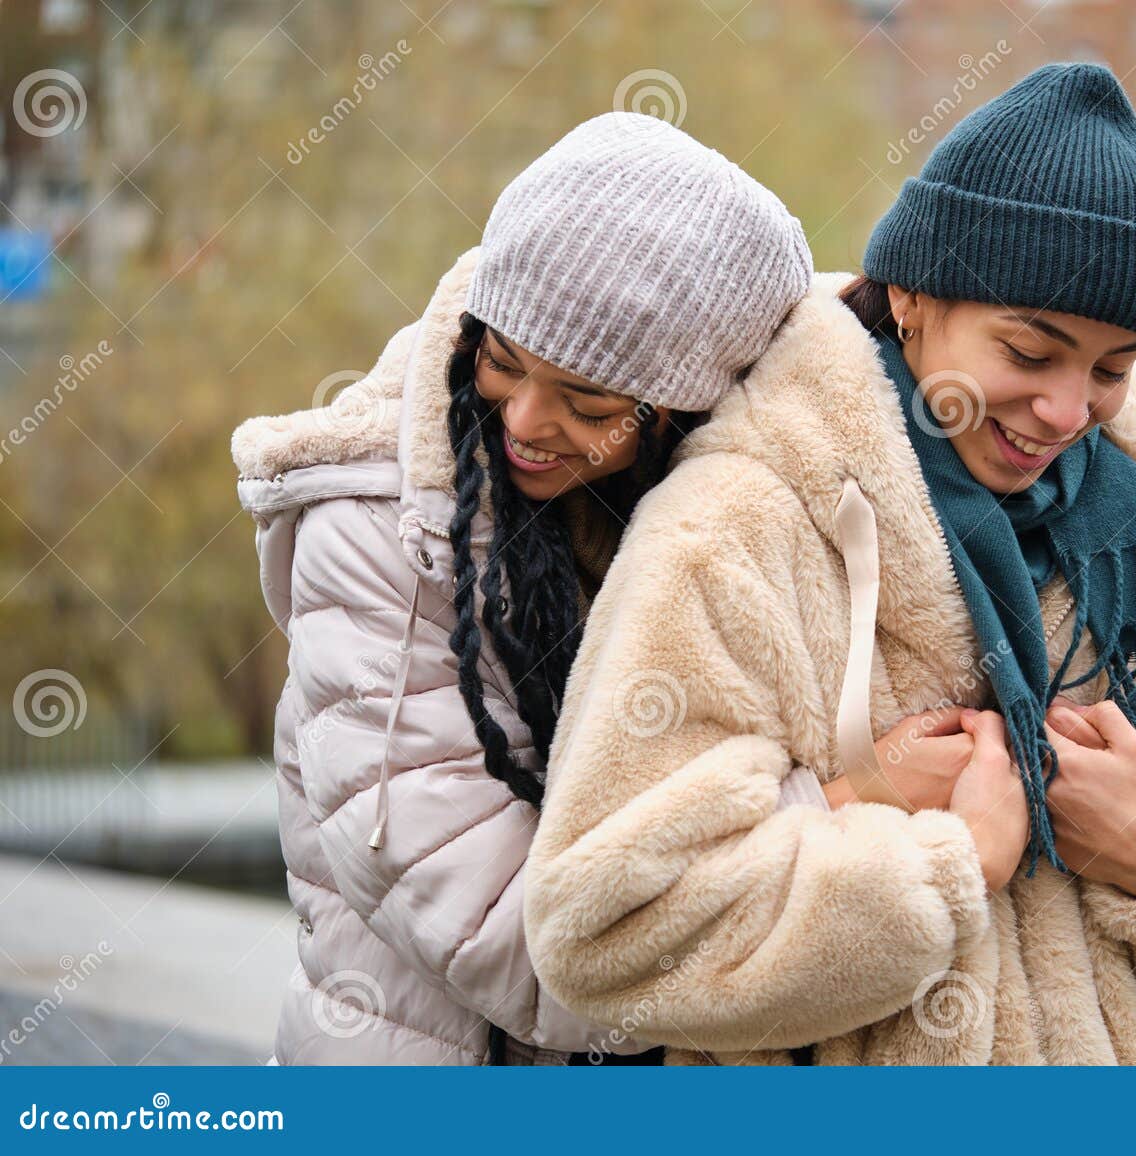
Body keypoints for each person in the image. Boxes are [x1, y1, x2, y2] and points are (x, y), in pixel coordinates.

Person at [524, 64, 1136, 1064]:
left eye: (1111, 370)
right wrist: (942, 862)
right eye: (1031, 353)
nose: (1068, 412)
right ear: (911, 298)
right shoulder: (736, 525)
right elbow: (605, 932)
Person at [230, 112, 811, 1064]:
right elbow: (493, 924)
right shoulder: (380, 536)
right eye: (503, 362)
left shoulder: (719, 522)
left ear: (686, 412)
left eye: (590, 403)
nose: (527, 422)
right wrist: (832, 825)